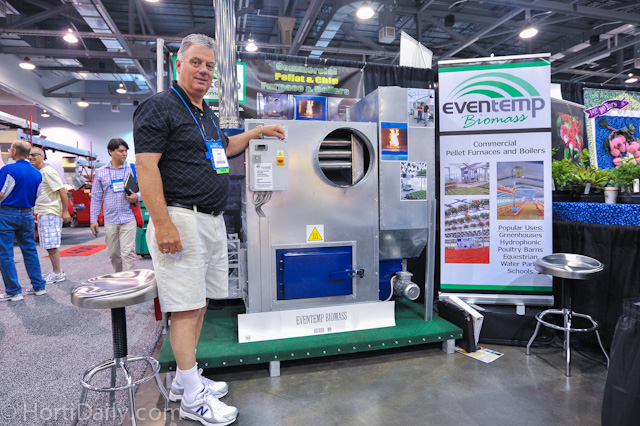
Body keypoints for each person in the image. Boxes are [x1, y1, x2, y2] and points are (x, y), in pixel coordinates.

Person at [134, 33, 285, 426]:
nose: (203, 71)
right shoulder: (160, 106)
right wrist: (162, 223)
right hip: (180, 219)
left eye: (210, 66)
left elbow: (225, 147)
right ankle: (192, 400)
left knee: (198, 303)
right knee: (185, 308)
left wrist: (256, 133)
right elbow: (146, 167)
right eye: (196, 62)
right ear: (178, 65)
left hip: (209, 220)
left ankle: (185, 380)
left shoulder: (205, 113)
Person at [0, 141, 47, 301]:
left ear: (14, 151)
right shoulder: (37, 173)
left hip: (7, 214)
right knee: (30, 251)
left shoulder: (8, 169)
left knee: (5, 253)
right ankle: (39, 287)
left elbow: (1, 193)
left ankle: (14, 291)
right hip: (27, 214)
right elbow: (38, 195)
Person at [89, 138, 139, 272]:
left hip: (128, 217)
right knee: (113, 254)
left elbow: (144, 190)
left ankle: (129, 280)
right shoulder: (101, 172)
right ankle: (119, 277)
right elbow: (96, 197)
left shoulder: (132, 169)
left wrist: (137, 197)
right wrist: (93, 219)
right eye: (121, 151)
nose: (124, 154)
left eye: (126, 151)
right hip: (110, 220)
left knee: (128, 253)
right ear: (110, 152)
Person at [29, 146, 71, 284]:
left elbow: (62, 191)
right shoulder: (39, 172)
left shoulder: (48, 172)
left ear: (41, 156)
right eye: (29, 155)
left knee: (51, 244)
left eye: (34, 155)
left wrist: (65, 211)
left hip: (50, 212)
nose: (31, 157)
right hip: (43, 211)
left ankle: (57, 273)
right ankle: (56, 270)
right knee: (48, 244)